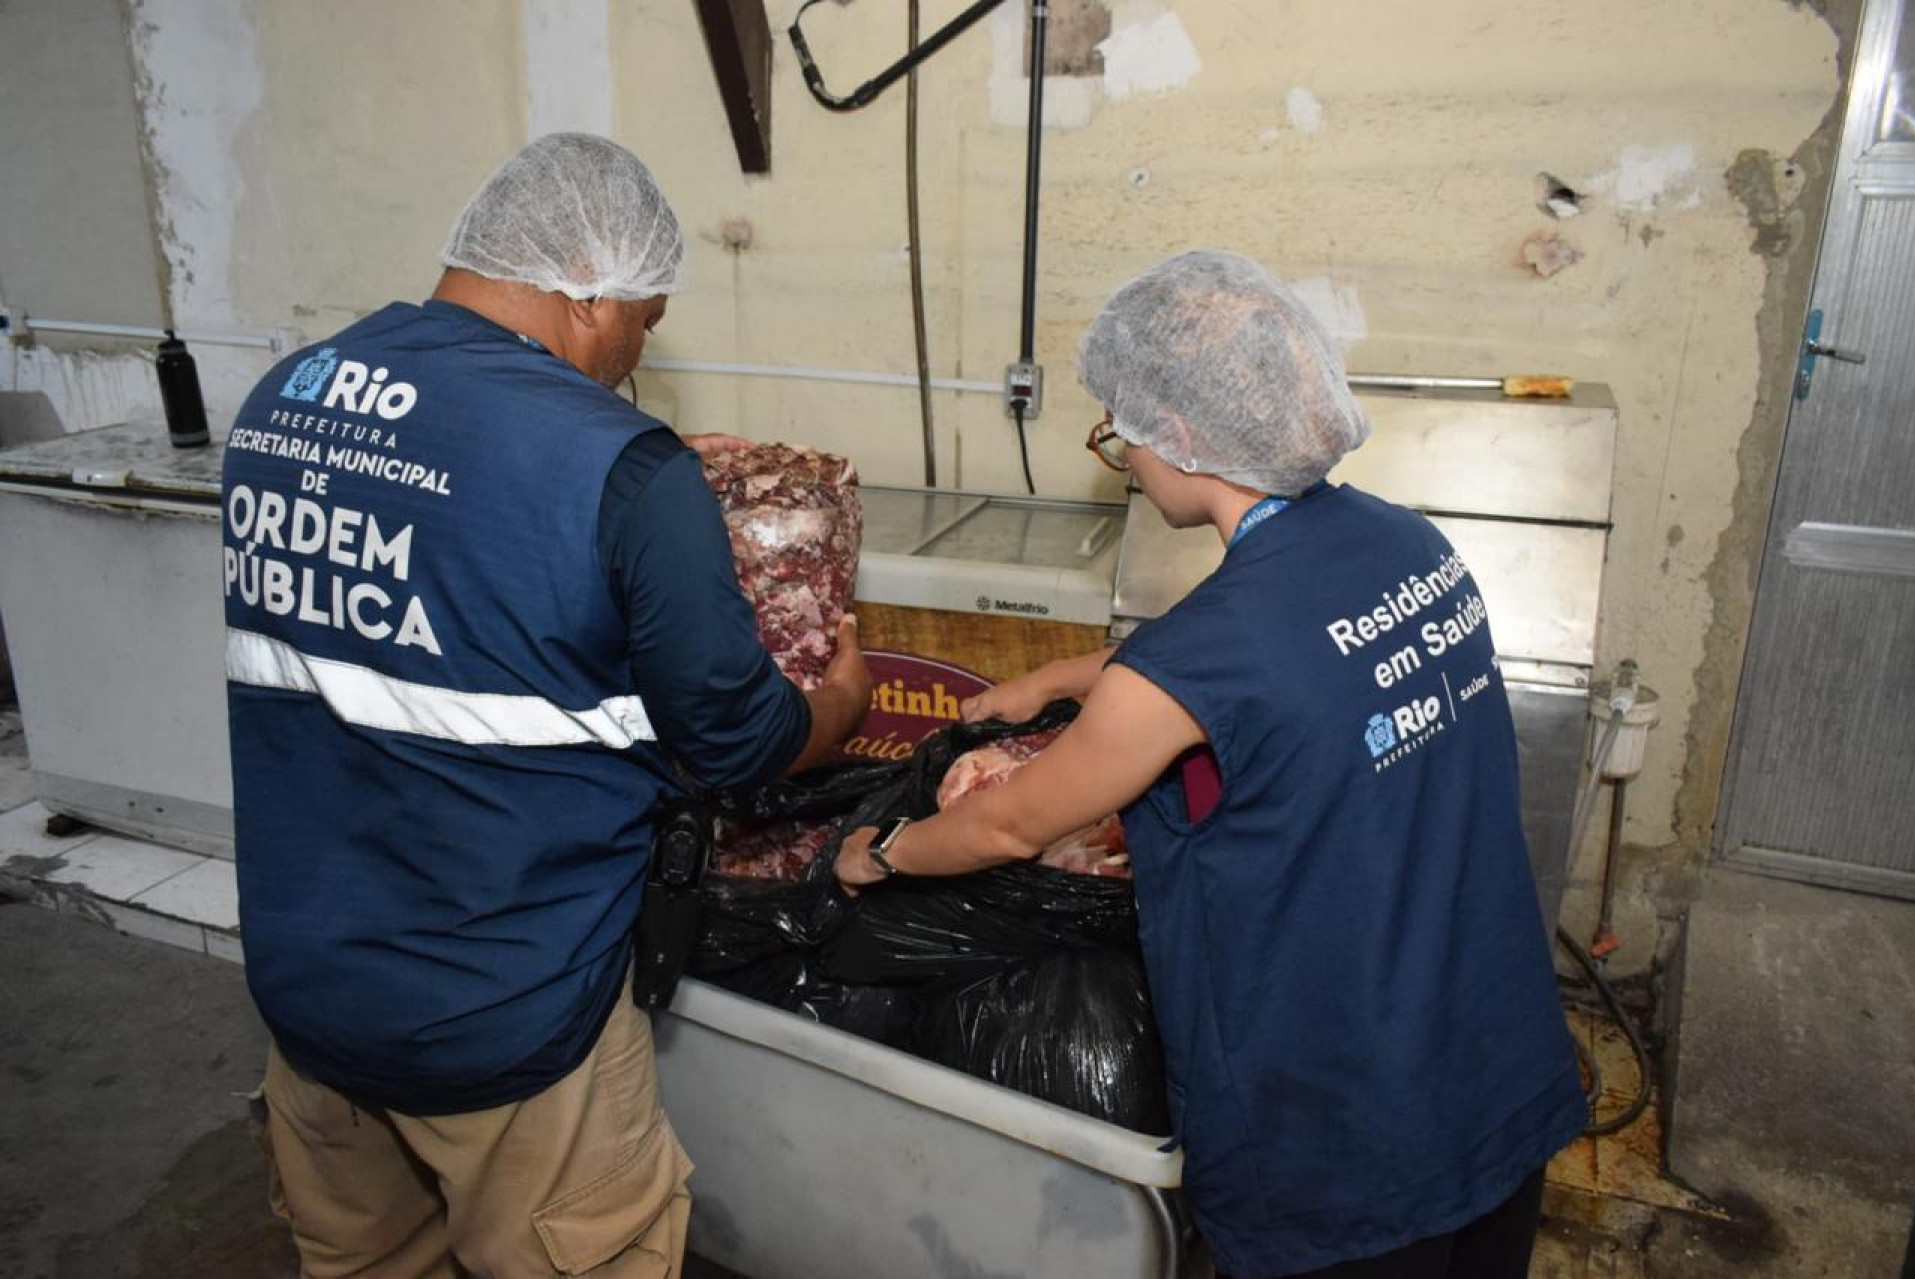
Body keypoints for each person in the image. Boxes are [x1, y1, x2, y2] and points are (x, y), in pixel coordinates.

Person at [837, 250, 1585, 1278]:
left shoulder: (1211, 652)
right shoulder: (1406, 544)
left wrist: (883, 852)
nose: (1124, 459)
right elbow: (1280, 658)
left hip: (1352, 1145)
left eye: (1122, 434)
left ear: (1184, 437)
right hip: (1492, 1067)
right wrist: (1059, 675)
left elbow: (1012, 823)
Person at [223, 133, 871, 1277]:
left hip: (310, 980)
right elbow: (736, 740)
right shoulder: (621, 465)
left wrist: (641, 487)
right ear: (591, 294)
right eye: (644, 322)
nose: (634, 355)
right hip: (505, 1005)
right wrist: (841, 703)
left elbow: (449, 552)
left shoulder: (287, 397)